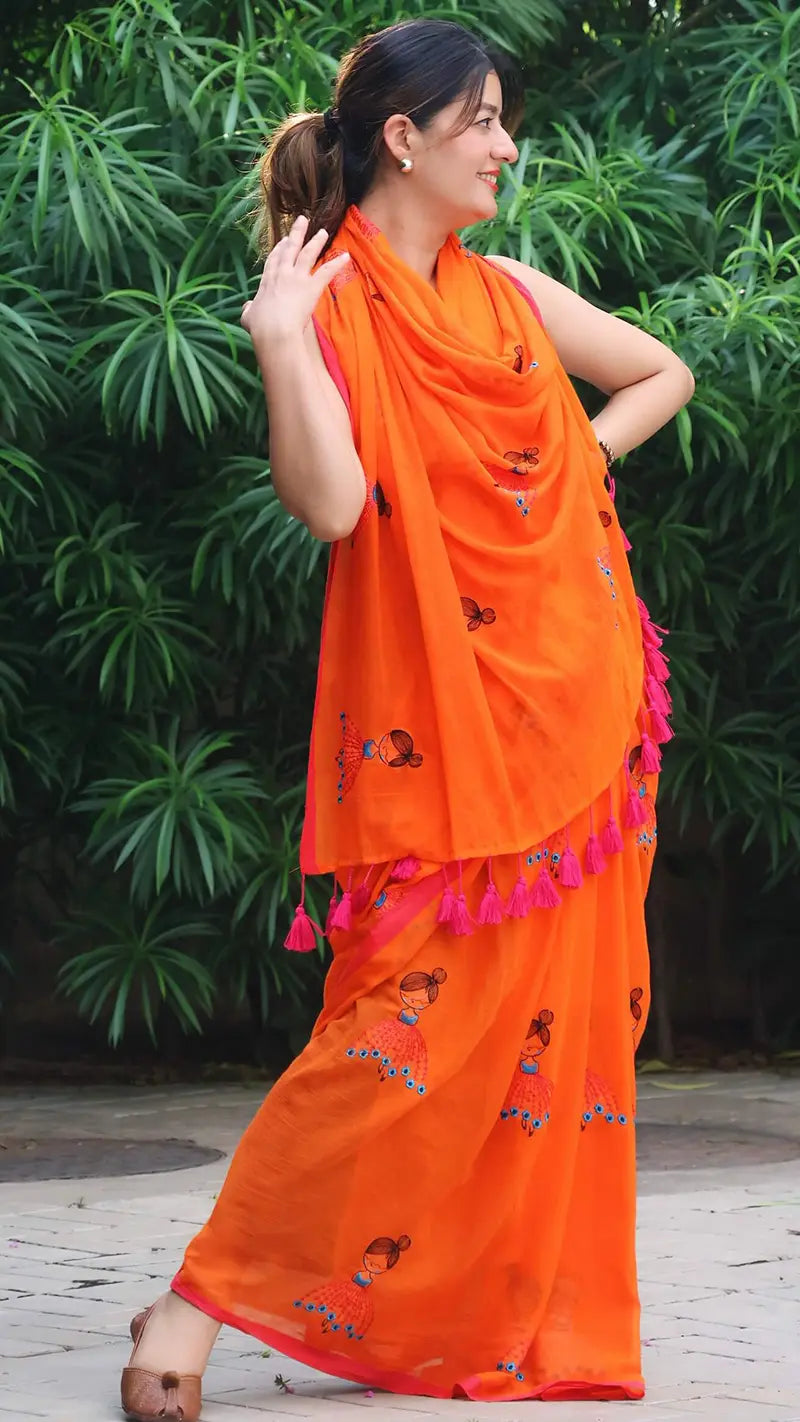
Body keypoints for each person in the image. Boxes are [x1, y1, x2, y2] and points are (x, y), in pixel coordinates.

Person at [120, 17, 694, 1420]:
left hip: (577, 705)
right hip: (434, 732)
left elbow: (661, 373)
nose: (507, 144)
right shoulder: (324, 302)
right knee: (399, 1027)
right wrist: (269, 340)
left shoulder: (508, 295)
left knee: (541, 1033)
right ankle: (202, 1291)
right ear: (405, 137)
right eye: (487, 120)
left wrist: (566, 477)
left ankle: (477, 1302)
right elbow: (327, 504)